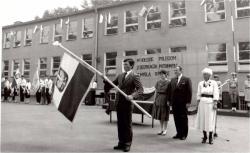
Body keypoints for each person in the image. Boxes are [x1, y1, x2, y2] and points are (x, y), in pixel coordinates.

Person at [103, 58, 143, 152]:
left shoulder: (135, 76)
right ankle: (121, 143)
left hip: (127, 103)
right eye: (124, 64)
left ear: (131, 66)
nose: (124, 66)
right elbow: (111, 85)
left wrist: (133, 96)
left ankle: (127, 143)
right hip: (119, 102)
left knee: (127, 124)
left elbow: (140, 90)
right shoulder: (120, 75)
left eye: (126, 64)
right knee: (120, 124)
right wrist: (105, 80)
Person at [167, 66, 192, 140]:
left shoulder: (186, 79)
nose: (175, 71)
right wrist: (168, 100)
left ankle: (184, 134)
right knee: (176, 118)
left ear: (181, 71)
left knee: (183, 118)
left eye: (176, 70)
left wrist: (188, 102)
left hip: (183, 103)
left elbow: (189, 92)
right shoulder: (172, 80)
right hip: (175, 103)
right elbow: (169, 91)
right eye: (174, 70)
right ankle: (178, 133)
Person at [195, 68, 219, 145]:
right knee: (203, 120)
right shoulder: (200, 83)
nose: (204, 75)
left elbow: (216, 93)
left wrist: (215, 103)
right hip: (202, 103)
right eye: (203, 74)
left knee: (210, 120)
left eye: (206, 74)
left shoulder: (214, 83)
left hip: (210, 103)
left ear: (209, 75)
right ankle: (205, 136)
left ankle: (210, 137)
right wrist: (197, 104)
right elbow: (198, 94)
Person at [152, 69, 170, 136]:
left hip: (165, 99)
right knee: (159, 115)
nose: (161, 75)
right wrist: (154, 99)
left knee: (165, 115)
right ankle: (161, 129)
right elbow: (156, 91)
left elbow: (170, 92)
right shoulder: (158, 82)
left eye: (163, 74)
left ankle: (165, 129)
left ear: (165, 75)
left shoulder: (168, 82)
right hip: (159, 99)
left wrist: (169, 100)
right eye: (160, 74)